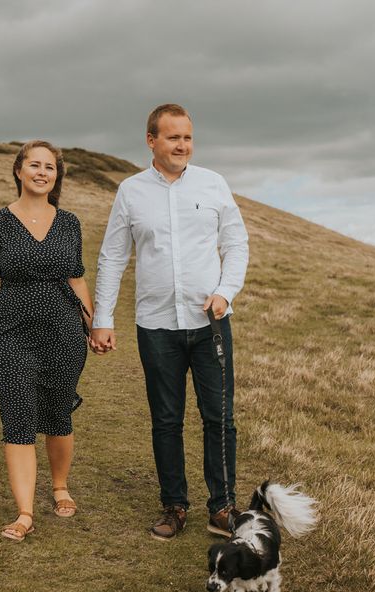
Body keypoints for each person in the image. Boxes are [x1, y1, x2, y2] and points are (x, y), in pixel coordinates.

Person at [90, 104, 249, 542]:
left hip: (210, 322)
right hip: (156, 325)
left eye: (188, 138)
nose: (183, 145)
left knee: (219, 417)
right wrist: (102, 319)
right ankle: (174, 505)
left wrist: (225, 292)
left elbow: (236, 244)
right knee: (166, 418)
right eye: (173, 137)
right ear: (151, 141)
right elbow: (113, 256)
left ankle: (222, 507)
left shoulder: (213, 184)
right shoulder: (131, 191)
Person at [0, 140, 93, 542]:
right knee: (17, 415)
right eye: (34, 165)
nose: (42, 172)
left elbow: (77, 278)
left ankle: (60, 487)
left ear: (56, 176)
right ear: (18, 171)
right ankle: (25, 512)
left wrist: (94, 325)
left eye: (49, 167)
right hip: (9, 331)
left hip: (63, 330)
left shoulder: (69, 223)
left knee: (57, 411)